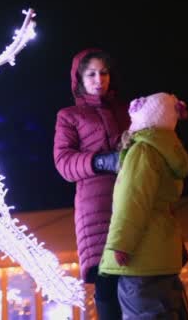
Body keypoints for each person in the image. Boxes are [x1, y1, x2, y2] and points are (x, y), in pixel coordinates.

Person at [99, 92, 188, 319]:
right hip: (164, 253)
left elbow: (133, 200)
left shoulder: (143, 151)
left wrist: (121, 243)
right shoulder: (169, 151)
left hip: (140, 256)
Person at [53, 48, 129, 318]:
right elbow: (63, 162)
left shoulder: (126, 111)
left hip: (130, 202)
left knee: (136, 284)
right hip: (95, 210)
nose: (99, 79)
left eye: (104, 73)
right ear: (80, 79)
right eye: (92, 74)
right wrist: (101, 161)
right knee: (107, 284)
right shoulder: (70, 116)